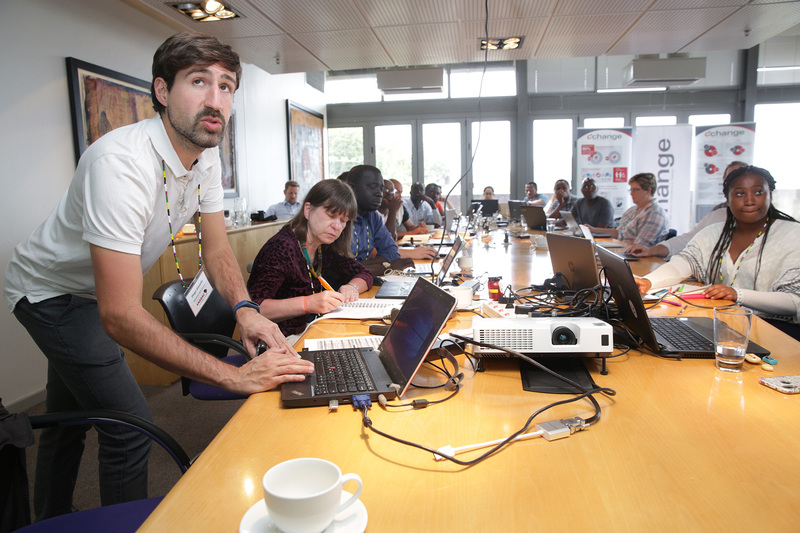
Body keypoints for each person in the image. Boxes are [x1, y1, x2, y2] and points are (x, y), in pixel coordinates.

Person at [3, 32, 313, 520]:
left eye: (227, 86)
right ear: (163, 91)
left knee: (71, 422)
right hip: (51, 293)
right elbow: (121, 316)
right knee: (129, 425)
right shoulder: (119, 163)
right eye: (199, 82)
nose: (216, 100)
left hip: (90, 294)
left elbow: (216, 249)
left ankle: (52, 520)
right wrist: (233, 376)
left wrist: (246, 310)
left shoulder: (205, 156)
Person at [634, 166, 800, 339]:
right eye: (740, 194)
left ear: (770, 196)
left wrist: (738, 294)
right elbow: (684, 263)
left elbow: (795, 300)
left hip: (775, 330)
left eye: (758, 192)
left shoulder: (793, 235)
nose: (750, 200)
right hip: (724, 323)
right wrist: (648, 282)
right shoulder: (715, 232)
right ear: (727, 199)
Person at [247, 180, 372, 337]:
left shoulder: (323, 246)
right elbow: (254, 307)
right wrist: (307, 304)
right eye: (331, 216)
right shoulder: (281, 247)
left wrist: (352, 287)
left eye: (343, 221)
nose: (337, 226)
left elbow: (364, 273)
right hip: (278, 340)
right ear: (308, 210)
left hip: (311, 331)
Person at [627, 161, 747, 258]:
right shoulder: (718, 213)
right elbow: (690, 239)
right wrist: (651, 251)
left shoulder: (655, 213)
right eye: (731, 179)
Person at [346, 166, 432, 275]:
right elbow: (343, 270)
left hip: (364, 281)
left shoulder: (373, 216)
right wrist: (386, 267)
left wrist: (370, 266)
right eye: (372, 187)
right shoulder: (340, 218)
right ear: (352, 188)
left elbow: (391, 253)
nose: (379, 193)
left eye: (381, 188)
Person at [585, 172, 668, 247]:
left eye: (635, 190)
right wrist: (593, 229)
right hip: (622, 250)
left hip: (639, 259)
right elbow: (619, 233)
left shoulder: (655, 214)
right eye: (631, 190)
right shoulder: (632, 210)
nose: (631, 193)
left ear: (648, 190)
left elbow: (639, 246)